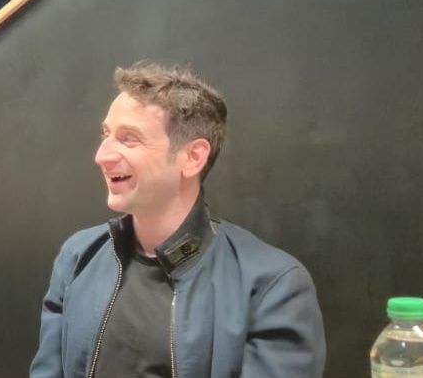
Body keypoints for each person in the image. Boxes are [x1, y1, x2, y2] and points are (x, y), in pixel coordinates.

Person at [30, 61, 325, 377]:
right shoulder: (78, 257)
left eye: (129, 138)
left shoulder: (272, 286)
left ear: (193, 157)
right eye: (106, 134)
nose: (102, 155)